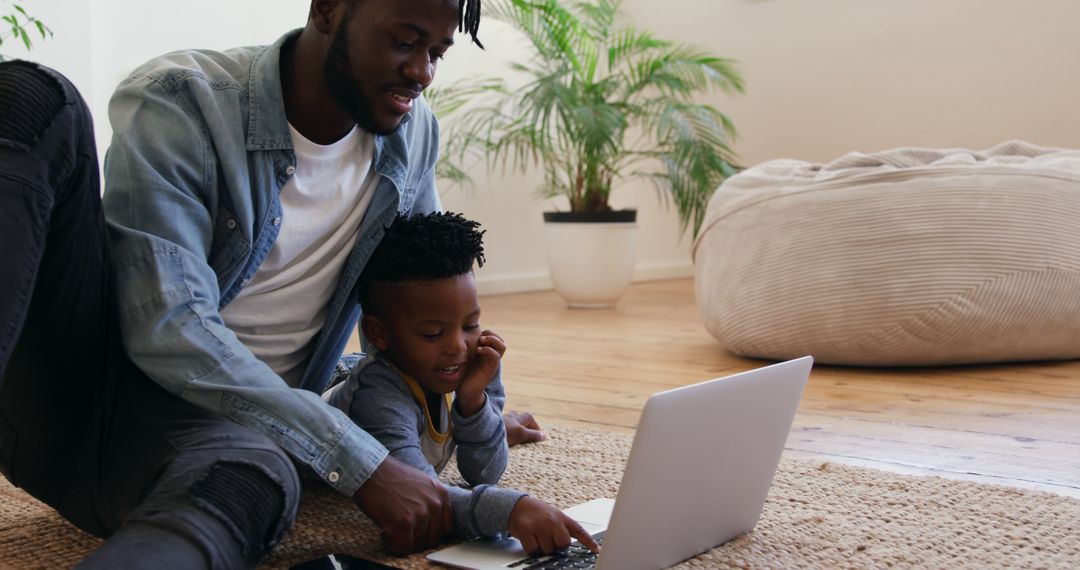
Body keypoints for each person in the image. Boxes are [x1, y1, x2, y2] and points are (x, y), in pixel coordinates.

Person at [0, 0, 541, 567]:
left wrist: (464, 414)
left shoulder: (410, 131)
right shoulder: (182, 102)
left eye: (436, 52)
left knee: (253, 477)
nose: (422, 72)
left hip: (217, 440)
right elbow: (168, 326)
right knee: (32, 96)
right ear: (328, 9)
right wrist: (358, 458)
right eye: (405, 42)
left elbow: (413, 310)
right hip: (83, 392)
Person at [324, 212, 600, 554]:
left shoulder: (471, 362)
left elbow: (484, 472)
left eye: (470, 325)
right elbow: (422, 496)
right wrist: (511, 509)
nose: (458, 345)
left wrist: (474, 404)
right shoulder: (378, 398)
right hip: (337, 383)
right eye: (432, 333)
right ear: (379, 333)